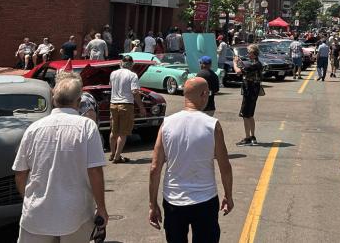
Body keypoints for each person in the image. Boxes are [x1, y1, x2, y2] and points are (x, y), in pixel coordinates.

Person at [13, 78, 108, 242]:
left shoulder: (34, 129)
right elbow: (94, 171)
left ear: (53, 99)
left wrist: (28, 199)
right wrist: (101, 208)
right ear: (78, 101)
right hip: (75, 213)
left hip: (37, 214)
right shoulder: (86, 127)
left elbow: (21, 174)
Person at [148, 77, 234, 243]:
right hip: (205, 200)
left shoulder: (167, 124)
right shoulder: (212, 125)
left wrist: (153, 204)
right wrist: (228, 196)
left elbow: (155, 168)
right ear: (203, 94)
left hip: (173, 201)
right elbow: (225, 166)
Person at [109, 55, 145, 163]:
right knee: (123, 133)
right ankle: (117, 157)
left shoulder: (113, 73)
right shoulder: (132, 75)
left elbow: (112, 86)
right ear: (132, 64)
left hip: (113, 104)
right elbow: (134, 92)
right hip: (126, 104)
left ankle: (112, 153)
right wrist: (141, 107)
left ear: (121, 63)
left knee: (113, 132)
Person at [233, 44, 262, 146]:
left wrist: (235, 63)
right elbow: (245, 68)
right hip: (253, 92)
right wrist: (240, 62)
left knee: (245, 115)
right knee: (250, 115)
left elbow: (238, 71)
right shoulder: (257, 63)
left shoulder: (253, 64)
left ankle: (247, 137)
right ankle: (252, 136)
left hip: (249, 91)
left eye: (249, 53)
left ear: (254, 54)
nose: (248, 54)